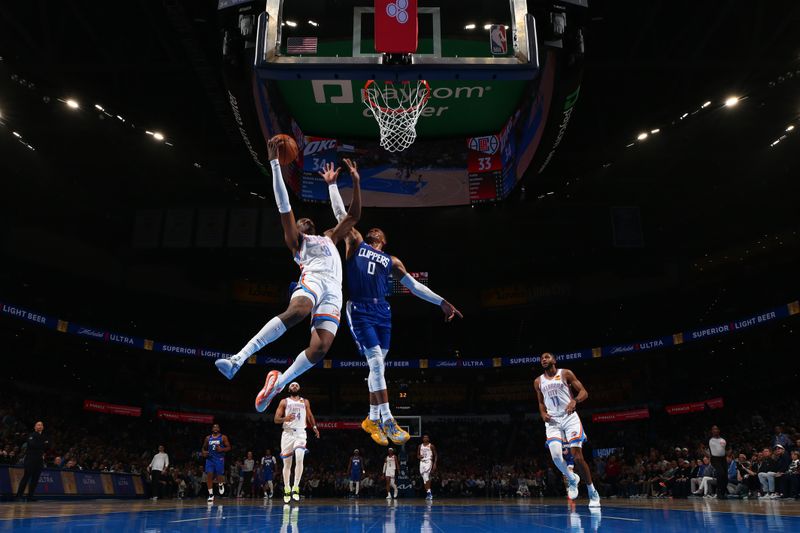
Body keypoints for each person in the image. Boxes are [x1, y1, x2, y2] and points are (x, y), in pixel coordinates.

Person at [214, 140, 362, 415]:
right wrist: (274, 164)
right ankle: (238, 359)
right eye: (299, 221)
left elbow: (353, 215)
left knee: (320, 349)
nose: (302, 221)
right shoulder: (297, 241)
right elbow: (283, 204)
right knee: (298, 310)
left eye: (306, 220)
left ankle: (278, 383)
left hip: (335, 291)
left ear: (314, 226)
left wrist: (352, 182)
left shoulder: (329, 236)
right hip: (313, 280)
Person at [325, 161, 462, 446]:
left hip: (382, 312)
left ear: (383, 241)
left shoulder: (392, 261)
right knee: (375, 363)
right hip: (360, 308)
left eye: (378, 232)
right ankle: (388, 420)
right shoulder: (356, 243)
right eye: (371, 229)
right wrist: (333, 185)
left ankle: (371, 417)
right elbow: (342, 215)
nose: (373, 230)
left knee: (378, 368)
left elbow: (415, 287)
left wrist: (442, 302)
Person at [534, 352, 600, 508]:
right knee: (556, 457)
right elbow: (541, 402)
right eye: (541, 358)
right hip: (552, 421)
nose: (544, 359)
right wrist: (543, 413)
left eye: (547, 357)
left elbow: (584, 392)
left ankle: (592, 491)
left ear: (554, 360)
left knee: (577, 458)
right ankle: (572, 478)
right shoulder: (538, 381)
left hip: (569, 417)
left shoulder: (565, 373)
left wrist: (574, 401)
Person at [274, 381, 320, 503]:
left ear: (299, 389)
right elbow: (276, 419)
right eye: (292, 385)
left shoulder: (305, 401)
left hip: (300, 433)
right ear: (289, 389)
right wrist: (285, 418)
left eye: (297, 385)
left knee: (299, 457)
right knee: (287, 465)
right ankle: (287, 488)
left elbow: (309, 416)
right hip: (287, 433)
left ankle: (296, 487)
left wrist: (315, 427)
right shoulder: (284, 401)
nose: (294, 386)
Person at [15, 421, 48, 502]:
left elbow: (48, 446)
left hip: (39, 460)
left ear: (43, 427)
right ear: (35, 427)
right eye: (38, 425)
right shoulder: (31, 435)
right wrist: (43, 444)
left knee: (35, 479)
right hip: (30, 459)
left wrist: (42, 444)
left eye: (41, 425)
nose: (39, 426)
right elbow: (33, 445)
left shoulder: (44, 436)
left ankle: (30, 496)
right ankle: (19, 496)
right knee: (26, 477)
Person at [202, 423, 232, 503]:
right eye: (214, 427)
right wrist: (203, 452)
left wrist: (222, 450)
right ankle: (211, 495)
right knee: (209, 475)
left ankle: (221, 484)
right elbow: (203, 448)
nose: (215, 428)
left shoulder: (223, 437)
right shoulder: (208, 438)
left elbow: (229, 447)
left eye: (217, 427)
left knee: (219, 475)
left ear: (219, 429)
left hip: (219, 459)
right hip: (210, 459)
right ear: (212, 429)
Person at [708, 425, 728, 499]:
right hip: (715, 459)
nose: (715, 430)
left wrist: (728, 454)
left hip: (723, 459)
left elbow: (728, 448)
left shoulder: (723, 439)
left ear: (719, 430)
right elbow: (701, 447)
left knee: (725, 477)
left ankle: (723, 492)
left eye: (716, 429)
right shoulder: (709, 439)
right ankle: (719, 492)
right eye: (713, 429)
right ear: (712, 431)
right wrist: (708, 455)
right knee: (721, 473)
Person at [418, 434, 437, 500]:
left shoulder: (431, 446)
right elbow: (417, 455)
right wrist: (419, 457)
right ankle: (428, 493)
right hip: (422, 462)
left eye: (426, 437)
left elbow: (436, 455)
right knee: (424, 479)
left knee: (426, 476)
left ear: (428, 439)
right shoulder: (420, 446)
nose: (425, 438)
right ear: (422, 439)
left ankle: (429, 493)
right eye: (424, 437)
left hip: (428, 461)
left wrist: (434, 464)